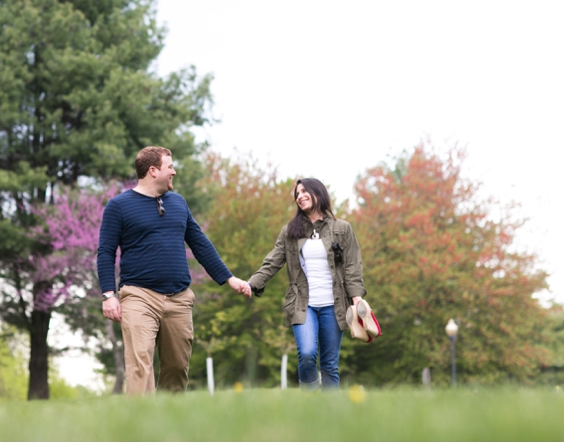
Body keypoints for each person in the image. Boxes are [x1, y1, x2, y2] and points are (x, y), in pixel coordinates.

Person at [97, 146, 251, 395]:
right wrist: (108, 294)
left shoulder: (178, 203)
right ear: (153, 170)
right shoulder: (119, 206)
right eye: (170, 167)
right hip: (138, 297)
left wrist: (229, 278)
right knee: (140, 366)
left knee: (178, 368)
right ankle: (139, 427)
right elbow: (105, 252)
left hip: (179, 298)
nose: (174, 172)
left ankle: (167, 426)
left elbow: (200, 244)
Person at [248, 178, 367, 390]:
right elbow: (273, 260)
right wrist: (252, 284)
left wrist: (356, 297)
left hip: (334, 305)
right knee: (306, 354)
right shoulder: (290, 231)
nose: (299, 196)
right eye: (297, 194)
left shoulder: (342, 228)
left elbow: (352, 265)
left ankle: (329, 414)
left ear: (318, 193)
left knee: (330, 364)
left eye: (304, 191)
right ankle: (310, 402)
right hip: (303, 304)